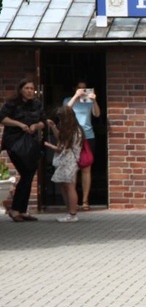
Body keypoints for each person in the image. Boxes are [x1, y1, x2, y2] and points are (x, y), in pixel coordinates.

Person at [0, 79, 46, 222]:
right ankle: (15, 210)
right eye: (27, 88)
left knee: (29, 174)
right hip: (14, 143)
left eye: (32, 88)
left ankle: (21, 210)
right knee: (26, 172)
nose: (30, 91)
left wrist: (36, 126)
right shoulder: (12, 103)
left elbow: (44, 121)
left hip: (30, 144)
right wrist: (20, 124)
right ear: (20, 90)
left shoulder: (37, 104)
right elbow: (2, 118)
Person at [63, 81, 101, 211]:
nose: (82, 90)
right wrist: (75, 96)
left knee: (86, 168)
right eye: (80, 88)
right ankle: (74, 200)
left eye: (85, 88)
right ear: (75, 88)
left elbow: (97, 114)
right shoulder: (68, 100)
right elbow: (65, 111)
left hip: (88, 136)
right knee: (73, 168)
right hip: (72, 137)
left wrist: (94, 101)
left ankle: (85, 200)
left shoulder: (88, 101)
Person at [44, 106, 84, 223]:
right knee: (64, 186)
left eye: (60, 118)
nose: (59, 120)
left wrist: (47, 144)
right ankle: (69, 211)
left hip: (68, 161)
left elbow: (60, 148)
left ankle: (72, 213)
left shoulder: (71, 131)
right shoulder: (74, 129)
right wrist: (53, 127)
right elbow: (60, 138)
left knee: (69, 187)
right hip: (67, 161)